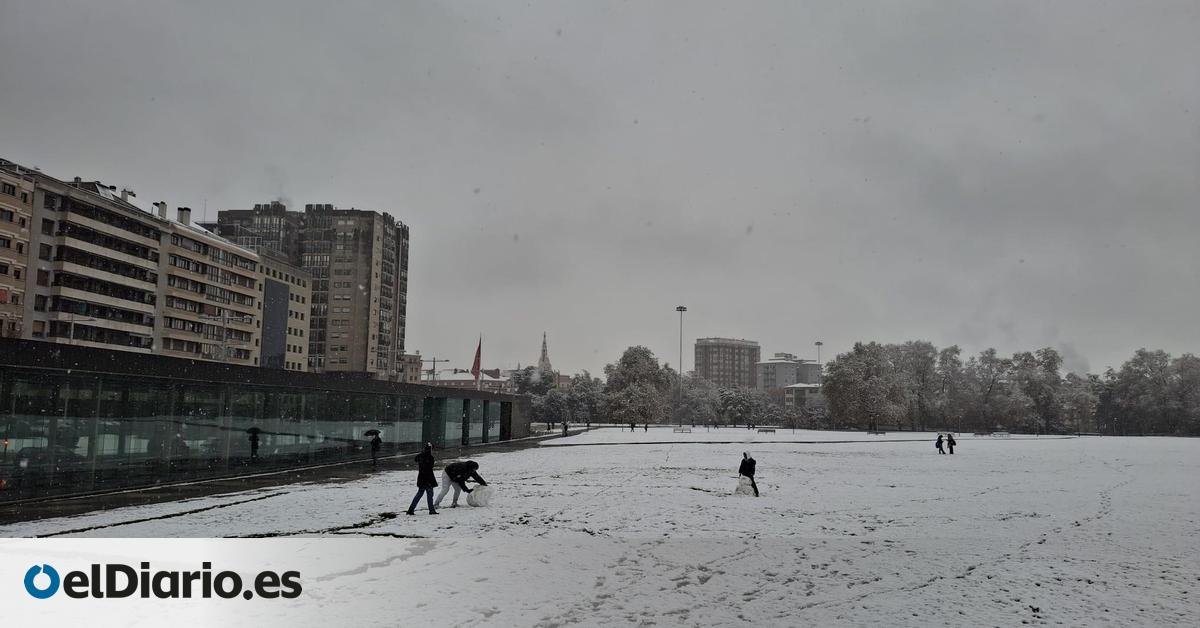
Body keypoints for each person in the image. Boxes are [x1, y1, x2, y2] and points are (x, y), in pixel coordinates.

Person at [406, 443, 438, 515]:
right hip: (428, 478)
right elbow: (430, 467)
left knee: (419, 494)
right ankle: (431, 510)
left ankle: (411, 509)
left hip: (421, 477)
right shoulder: (430, 457)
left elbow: (416, 459)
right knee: (430, 495)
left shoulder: (421, 456)